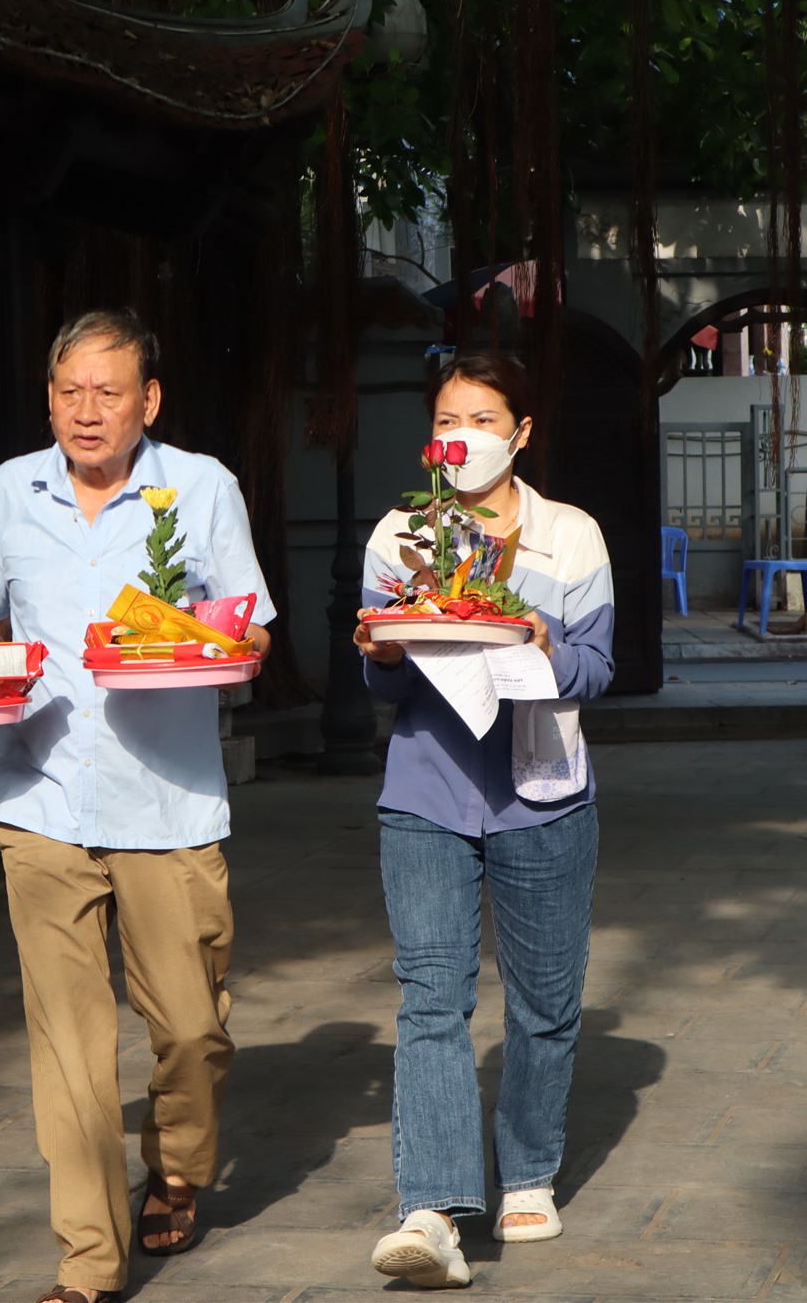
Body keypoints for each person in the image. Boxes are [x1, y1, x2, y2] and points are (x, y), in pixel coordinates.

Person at [0, 307, 275, 1303]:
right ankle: (89, 1265)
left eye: (108, 391)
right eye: (69, 391)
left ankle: (177, 1162)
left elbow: (253, 633)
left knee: (189, 1028)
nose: (86, 410)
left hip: (168, 805)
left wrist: (201, 646)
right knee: (68, 1050)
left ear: (150, 400)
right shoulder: (7, 492)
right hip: (40, 800)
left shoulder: (202, 486)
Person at [351, 352, 613, 1289]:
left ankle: (528, 1169)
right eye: (447, 420)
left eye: (484, 418)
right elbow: (383, 681)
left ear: (521, 432)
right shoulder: (399, 535)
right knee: (431, 996)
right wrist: (380, 651)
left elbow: (597, 669)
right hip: (427, 790)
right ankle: (433, 1206)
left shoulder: (571, 536)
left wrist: (543, 642)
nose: (462, 437)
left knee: (544, 1002)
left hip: (541, 792)